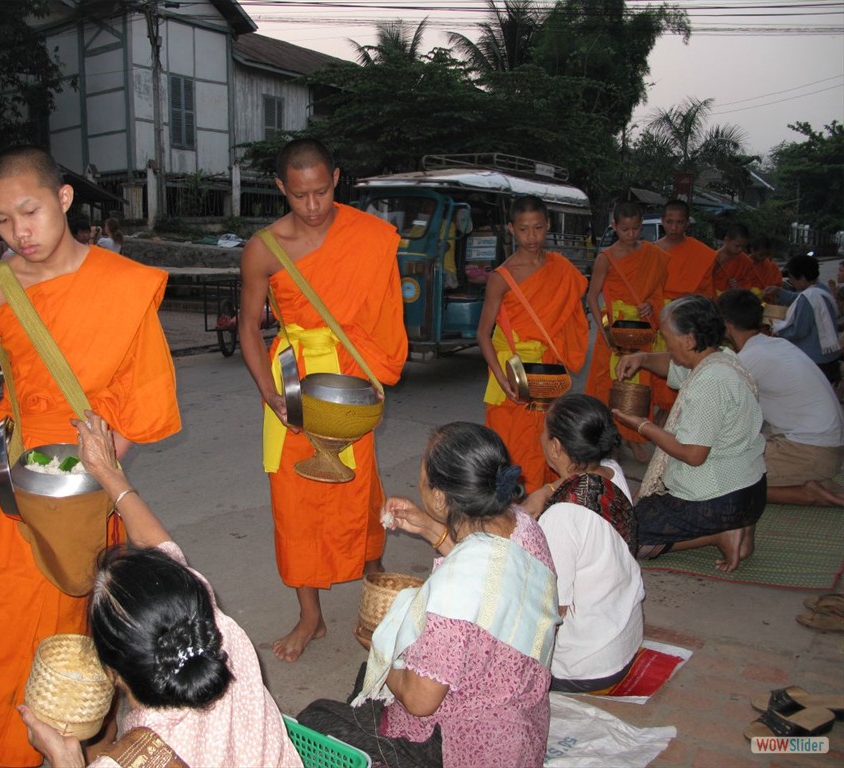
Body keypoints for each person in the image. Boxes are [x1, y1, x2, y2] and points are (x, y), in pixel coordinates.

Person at [0, 145, 182, 768]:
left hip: (91, 476)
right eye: (0, 221)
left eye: (30, 211)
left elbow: (143, 394)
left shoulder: (122, 286)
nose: (20, 232)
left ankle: (70, 744)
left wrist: (98, 473)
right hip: (19, 479)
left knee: (75, 630)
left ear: (63, 199)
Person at [18, 412, 304, 768]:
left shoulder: (129, 761)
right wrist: (107, 471)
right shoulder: (225, 637)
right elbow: (159, 544)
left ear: (110, 674)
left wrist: (65, 759)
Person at [297, 422, 560, 768]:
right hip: (520, 736)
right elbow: (488, 575)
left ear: (440, 497)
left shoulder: (454, 589)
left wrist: (380, 646)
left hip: (461, 749)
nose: (418, 479)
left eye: (423, 472)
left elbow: (421, 701)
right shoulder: (523, 527)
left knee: (316, 717)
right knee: (369, 679)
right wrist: (428, 527)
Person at [239, 138, 407, 662]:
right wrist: (269, 396)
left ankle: (375, 578)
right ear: (281, 189)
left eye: (321, 192)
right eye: (299, 196)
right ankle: (310, 615)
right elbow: (247, 327)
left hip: (349, 377)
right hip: (292, 379)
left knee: (359, 488)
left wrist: (374, 373)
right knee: (295, 502)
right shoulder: (264, 248)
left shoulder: (370, 237)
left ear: (336, 178)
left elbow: (382, 314)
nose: (312, 207)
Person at [613, 295, 766, 573]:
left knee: (623, 539)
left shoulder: (709, 382)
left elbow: (693, 455)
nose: (666, 345)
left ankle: (720, 534)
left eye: (667, 337)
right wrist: (643, 357)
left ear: (688, 340)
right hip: (751, 491)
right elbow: (672, 366)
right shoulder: (721, 359)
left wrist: (641, 425)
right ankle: (740, 532)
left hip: (718, 497)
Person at [524, 394, 643, 693]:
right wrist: (548, 488)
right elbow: (576, 484)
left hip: (585, 665)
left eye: (544, 431)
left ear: (555, 447)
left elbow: (553, 611)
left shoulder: (562, 516)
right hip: (622, 640)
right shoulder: (612, 471)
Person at [476, 195, 589, 492]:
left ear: (548, 225)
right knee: (511, 451)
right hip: (512, 374)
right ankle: (512, 516)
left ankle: (544, 509)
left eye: (538, 228)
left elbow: (569, 317)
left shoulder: (560, 268)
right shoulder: (502, 277)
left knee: (549, 444)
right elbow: (482, 334)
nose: (531, 237)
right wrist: (502, 381)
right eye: (524, 229)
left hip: (547, 373)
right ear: (511, 228)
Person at [719, 289, 844, 507]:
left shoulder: (750, 359)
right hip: (823, 445)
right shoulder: (774, 345)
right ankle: (806, 481)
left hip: (810, 452)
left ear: (726, 324)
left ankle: (809, 493)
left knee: (721, 483)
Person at [585, 201, 669, 460]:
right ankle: (610, 438)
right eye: (625, 229)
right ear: (614, 227)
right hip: (614, 331)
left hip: (641, 330)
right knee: (606, 385)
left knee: (638, 385)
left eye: (635, 228)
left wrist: (650, 306)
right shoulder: (606, 258)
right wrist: (605, 332)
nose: (631, 234)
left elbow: (657, 292)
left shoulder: (653, 255)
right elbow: (592, 297)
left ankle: (634, 438)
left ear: (641, 225)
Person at [653, 199, 717, 417]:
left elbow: (706, 294)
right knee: (654, 371)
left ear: (687, 223)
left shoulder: (702, 254)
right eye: (669, 222)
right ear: (662, 222)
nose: (674, 228)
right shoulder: (652, 251)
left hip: (686, 320)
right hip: (656, 318)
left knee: (681, 368)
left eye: (679, 222)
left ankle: (676, 415)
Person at [764, 254, 841, 386]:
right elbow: (799, 298)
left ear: (802, 278)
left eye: (793, 279)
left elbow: (798, 331)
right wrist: (779, 292)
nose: (792, 282)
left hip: (816, 359)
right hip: (831, 356)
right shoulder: (821, 289)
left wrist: (776, 329)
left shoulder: (809, 297)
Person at [711, 223, 752, 294]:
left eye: (743, 247)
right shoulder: (712, 257)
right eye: (737, 246)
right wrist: (716, 266)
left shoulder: (745, 261)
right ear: (726, 240)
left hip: (733, 299)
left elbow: (747, 285)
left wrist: (738, 287)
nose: (740, 249)